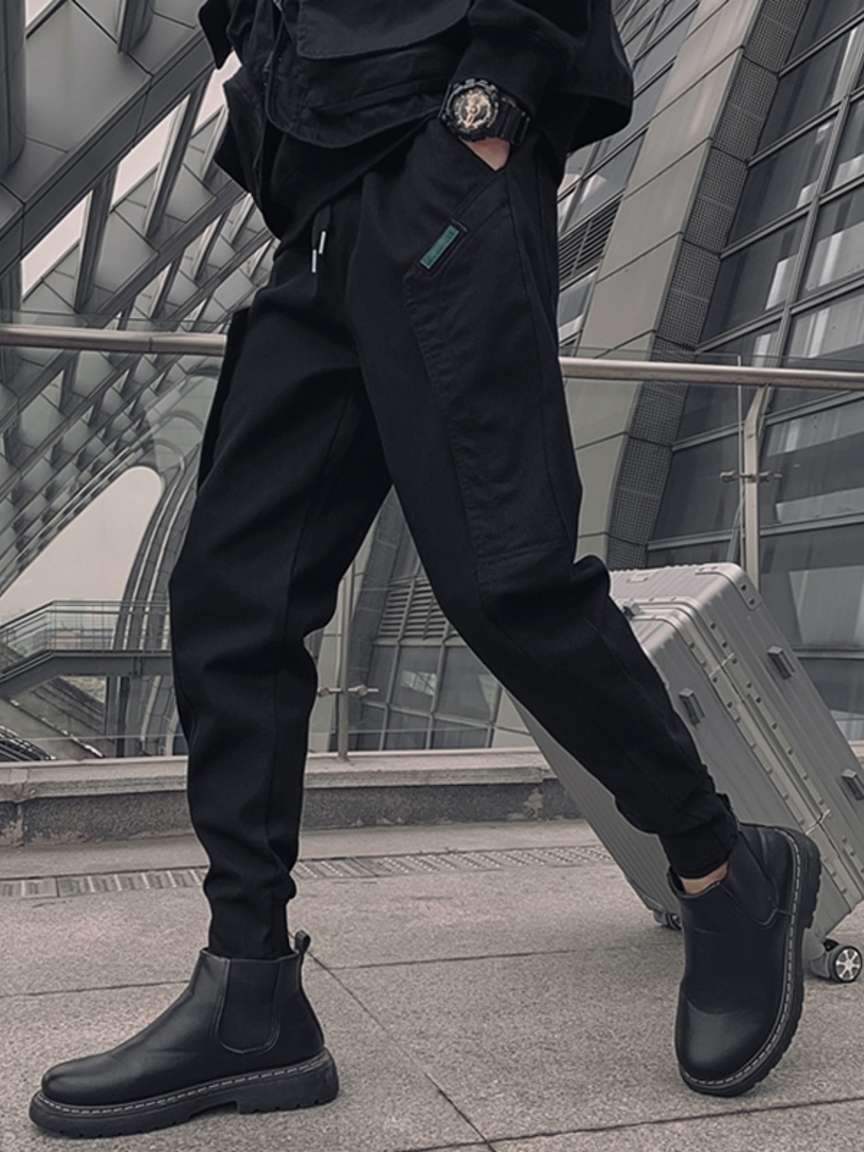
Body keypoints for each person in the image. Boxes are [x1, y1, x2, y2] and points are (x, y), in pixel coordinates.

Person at [30, 1, 821, 1138]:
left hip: (439, 172)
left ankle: (723, 869)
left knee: (506, 582)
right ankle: (249, 993)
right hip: (315, 229)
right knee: (230, 601)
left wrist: (486, 114)